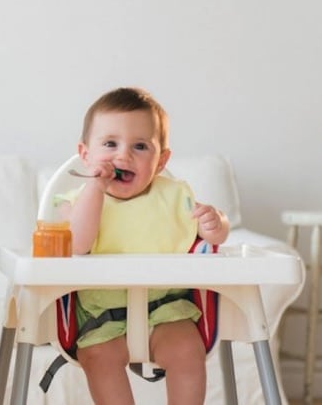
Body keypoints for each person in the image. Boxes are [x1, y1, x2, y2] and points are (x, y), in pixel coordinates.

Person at [55, 86, 228, 405]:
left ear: (161, 160)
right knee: (97, 358)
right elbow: (78, 244)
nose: (123, 156)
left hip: (166, 310)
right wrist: (95, 187)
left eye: (140, 146)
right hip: (102, 317)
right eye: (110, 144)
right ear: (85, 154)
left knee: (188, 351)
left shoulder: (175, 197)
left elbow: (212, 238)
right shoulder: (78, 202)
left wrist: (216, 223)